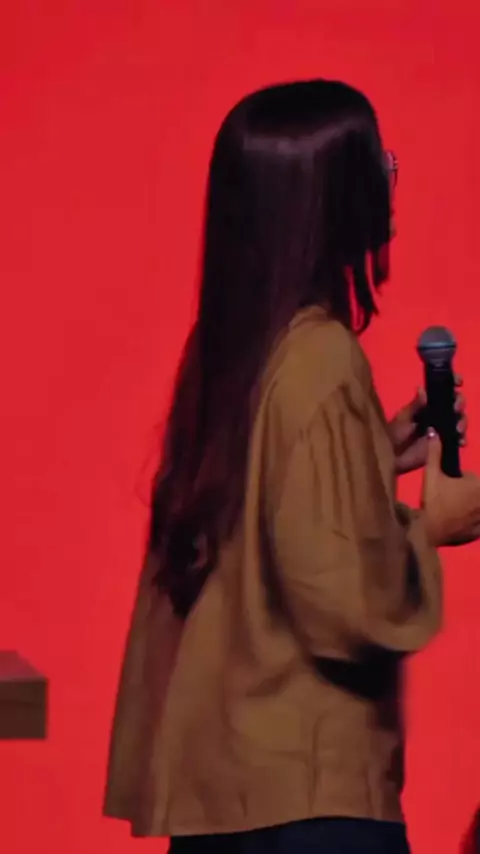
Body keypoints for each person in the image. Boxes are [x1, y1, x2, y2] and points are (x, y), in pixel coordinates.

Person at [103, 80, 480, 854]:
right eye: (375, 161)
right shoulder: (323, 358)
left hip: (223, 794)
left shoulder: (231, 350)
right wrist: (435, 525)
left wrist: (370, 455)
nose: (389, 176)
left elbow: (257, 527)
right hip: (312, 795)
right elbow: (343, 599)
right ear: (330, 199)